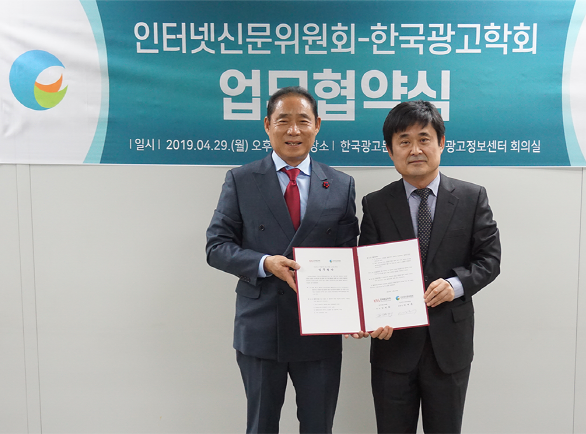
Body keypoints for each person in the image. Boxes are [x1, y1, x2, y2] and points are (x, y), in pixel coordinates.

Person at [205, 86, 359, 433]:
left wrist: (355, 312)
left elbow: (348, 256)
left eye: (303, 121)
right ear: (267, 125)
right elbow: (216, 246)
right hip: (261, 327)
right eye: (283, 121)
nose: (293, 130)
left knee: (318, 427)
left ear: (317, 125)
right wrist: (265, 264)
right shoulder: (241, 180)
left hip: (319, 329)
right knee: (261, 426)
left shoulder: (340, 184)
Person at [358, 100, 501, 433]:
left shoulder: (472, 197)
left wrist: (455, 285)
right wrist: (370, 313)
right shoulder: (376, 204)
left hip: (448, 347)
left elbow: (489, 260)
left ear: (441, 143)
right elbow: (367, 269)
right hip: (393, 346)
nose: (415, 150)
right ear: (390, 151)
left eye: (424, 139)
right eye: (404, 141)